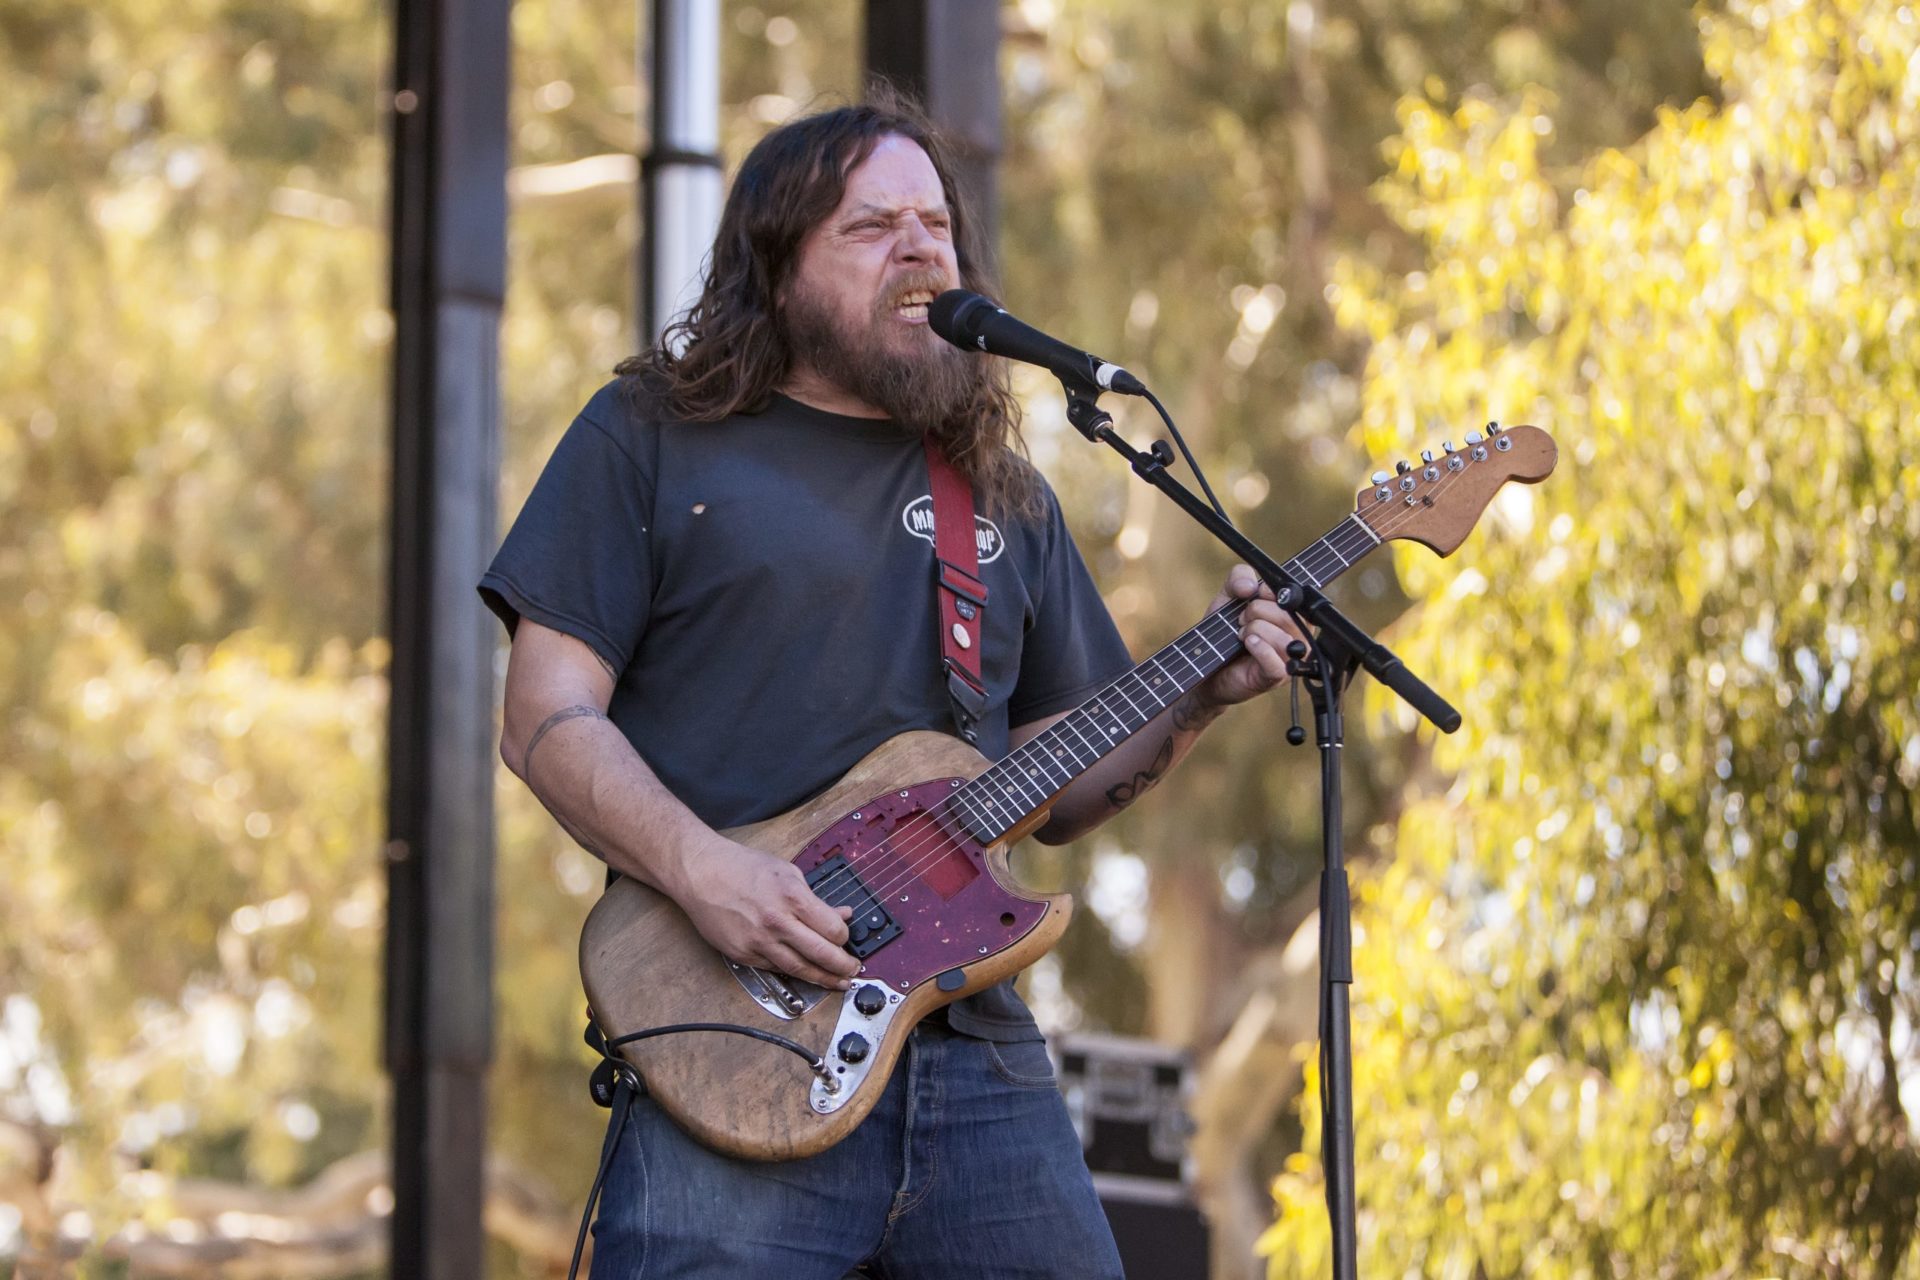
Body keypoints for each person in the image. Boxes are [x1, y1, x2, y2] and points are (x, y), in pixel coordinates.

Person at [479, 94, 1306, 1279]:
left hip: (973, 1050)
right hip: (735, 1028)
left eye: (936, 224)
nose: (922, 247)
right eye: (874, 226)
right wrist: (709, 872)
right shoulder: (650, 437)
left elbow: (1063, 789)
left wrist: (1200, 692)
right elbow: (544, 715)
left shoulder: (1005, 493)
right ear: (775, 271)